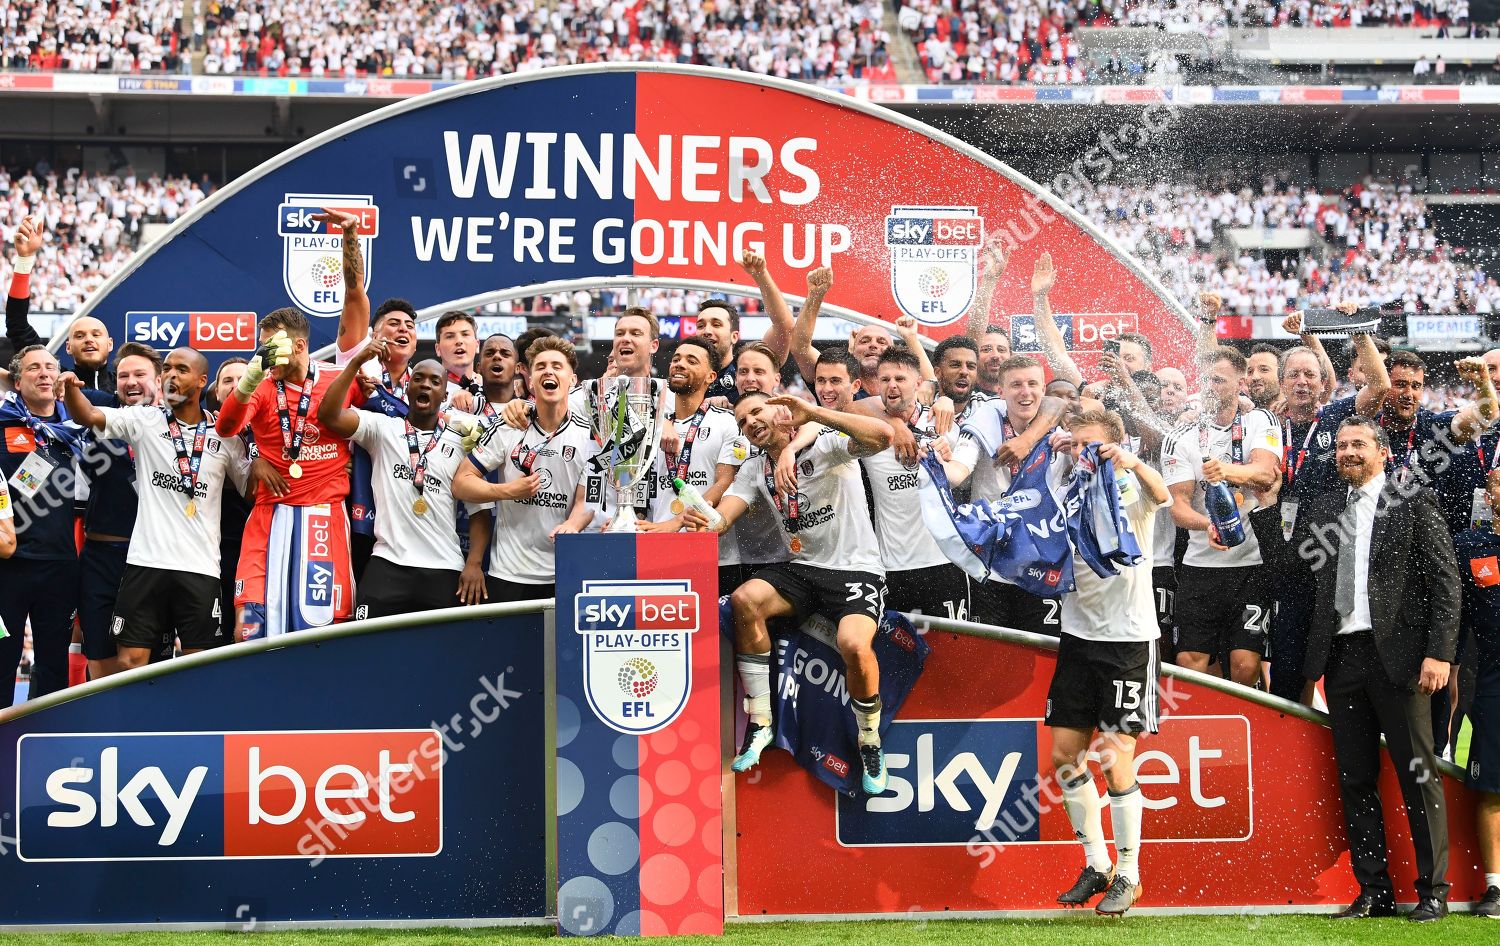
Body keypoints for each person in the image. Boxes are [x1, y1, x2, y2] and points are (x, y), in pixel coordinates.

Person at [1288, 415, 1459, 923]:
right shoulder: (1323, 509)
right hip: (1341, 661)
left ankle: (1434, 891)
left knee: (1418, 775)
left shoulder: (1412, 498)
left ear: (1383, 451)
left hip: (1403, 663)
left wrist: (1440, 653)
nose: (1348, 452)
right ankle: (1374, 891)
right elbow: (1301, 584)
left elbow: (1446, 582)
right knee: (1356, 779)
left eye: (1358, 444)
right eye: (1341, 446)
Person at [686, 391, 893, 794]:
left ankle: (869, 740)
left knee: (853, 642)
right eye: (742, 421)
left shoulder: (827, 442)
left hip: (855, 570)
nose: (749, 423)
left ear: (781, 409)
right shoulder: (753, 468)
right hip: (803, 570)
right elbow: (723, 517)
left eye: (756, 412)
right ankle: (761, 722)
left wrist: (813, 412)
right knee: (746, 599)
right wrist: (705, 521)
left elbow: (884, 436)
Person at [1048, 408, 1169, 916]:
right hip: (1077, 638)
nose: (1085, 453)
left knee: (1113, 758)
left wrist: (1131, 463)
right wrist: (1053, 452)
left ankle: (1130, 874)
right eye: (1079, 445)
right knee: (1064, 757)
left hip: (1128, 641)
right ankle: (1096, 864)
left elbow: (1162, 495)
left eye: (1094, 445)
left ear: (1116, 447)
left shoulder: (1129, 492)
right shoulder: (1065, 486)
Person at [59, 348, 248, 668]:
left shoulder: (224, 435)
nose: (172, 375)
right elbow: (88, 415)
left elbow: (250, 489)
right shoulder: (144, 419)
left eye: (182, 369)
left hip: (200, 566)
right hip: (145, 564)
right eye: (168, 369)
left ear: (203, 381)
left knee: (200, 665)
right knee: (131, 662)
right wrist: (70, 391)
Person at [215, 309, 356, 639]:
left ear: (299, 345)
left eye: (272, 346)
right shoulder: (262, 387)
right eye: (260, 348)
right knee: (247, 630)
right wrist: (251, 376)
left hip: (323, 517)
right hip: (270, 515)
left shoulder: (339, 380)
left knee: (322, 635)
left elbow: (386, 423)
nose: (265, 355)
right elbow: (226, 427)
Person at [318, 340, 485, 618]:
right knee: (370, 652)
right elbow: (328, 415)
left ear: (445, 394)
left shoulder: (462, 442)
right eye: (418, 379)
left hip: (443, 566)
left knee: (442, 657)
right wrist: (356, 362)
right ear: (407, 388)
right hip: (387, 563)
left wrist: (474, 563)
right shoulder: (382, 428)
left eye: (435, 381)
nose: (425, 385)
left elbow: (479, 509)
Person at [1161, 346, 1281, 687]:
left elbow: (1264, 474)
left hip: (1252, 564)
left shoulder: (1261, 420)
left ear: (1240, 383)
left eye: (1219, 380)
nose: (1210, 387)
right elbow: (1179, 507)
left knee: (1245, 665)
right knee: (1190, 662)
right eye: (1205, 380)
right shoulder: (1180, 437)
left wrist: (1225, 469)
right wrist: (1207, 524)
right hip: (1201, 565)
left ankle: (1246, 733)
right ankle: (1207, 728)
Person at [453, 337, 595, 602]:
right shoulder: (508, 425)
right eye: (540, 366)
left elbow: (585, 500)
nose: (548, 371)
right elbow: (461, 483)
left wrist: (573, 525)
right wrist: (505, 490)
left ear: (572, 380)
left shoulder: (589, 435)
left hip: (563, 573)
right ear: (530, 381)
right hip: (509, 573)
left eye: (557, 366)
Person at [941, 355, 1068, 635]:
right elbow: (958, 472)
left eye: (1033, 384)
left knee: (1042, 654)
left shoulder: (1062, 437)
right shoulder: (983, 425)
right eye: (1016, 385)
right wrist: (935, 462)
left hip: (1043, 566)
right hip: (991, 567)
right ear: (1000, 391)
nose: (1025, 392)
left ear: (1043, 389)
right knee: (988, 657)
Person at [858, 347, 970, 620]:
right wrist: (895, 427)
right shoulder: (868, 429)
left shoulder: (944, 423)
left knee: (952, 656)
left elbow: (961, 474)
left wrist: (945, 460)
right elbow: (844, 407)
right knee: (894, 659)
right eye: (884, 380)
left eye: (900, 379)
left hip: (944, 563)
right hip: (892, 567)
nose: (891, 386)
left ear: (919, 383)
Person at [0, 344, 85, 704]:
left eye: (51, 367)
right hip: (8, 565)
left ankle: (48, 740)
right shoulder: (3, 423)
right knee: (4, 659)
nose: (45, 373)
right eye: (34, 368)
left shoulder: (78, 427)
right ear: (16, 382)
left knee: (53, 663)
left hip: (61, 563)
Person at [75, 343, 162, 678]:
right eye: (123, 375)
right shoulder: (101, 411)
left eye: (140, 374)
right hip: (102, 555)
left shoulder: (175, 423)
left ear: (158, 379)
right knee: (100, 661)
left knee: (144, 663)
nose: (131, 381)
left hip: (153, 558)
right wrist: (67, 386)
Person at [1452, 467, 1500, 918]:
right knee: (1491, 787)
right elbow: (1454, 617)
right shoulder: (1471, 546)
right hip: (1490, 683)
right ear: (1490, 492)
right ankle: (1495, 887)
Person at [636, 338, 738, 534]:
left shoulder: (727, 422)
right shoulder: (654, 426)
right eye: (676, 359)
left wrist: (678, 521)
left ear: (711, 376)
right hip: (657, 538)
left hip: (711, 550)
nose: (679, 364)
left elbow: (725, 482)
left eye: (691, 361)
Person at [4, 216, 117, 391]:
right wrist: (25, 260)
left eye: (96, 334)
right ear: (68, 347)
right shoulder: (54, 381)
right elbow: (16, 323)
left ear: (110, 343)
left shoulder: (126, 384)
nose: (88, 340)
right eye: (79, 336)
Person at [697, 250, 795, 404]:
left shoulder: (748, 368)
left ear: (734, 336)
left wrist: (761, 275)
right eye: (701, 325)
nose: (707, 331)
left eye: (716, 324)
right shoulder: (685, 371)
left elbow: (784, 326)